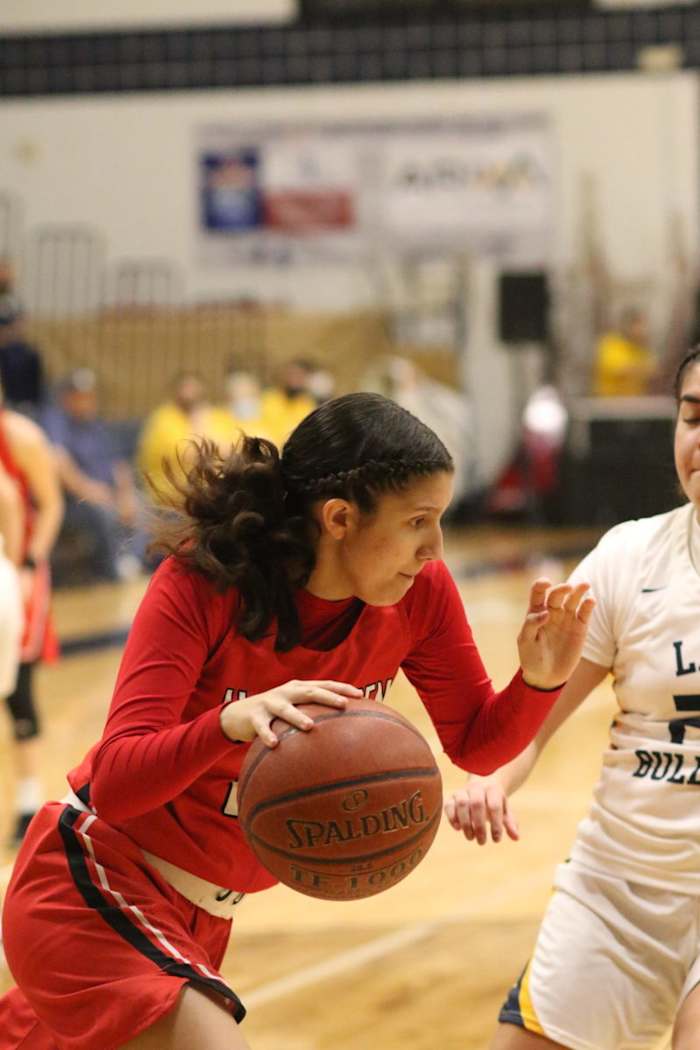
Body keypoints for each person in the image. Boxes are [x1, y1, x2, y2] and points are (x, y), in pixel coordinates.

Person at [0, 392, 593, 1049]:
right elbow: (114, 782)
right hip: (94, 881)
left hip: (202, 916)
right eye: (418, 520)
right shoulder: (205, 581)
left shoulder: (419, 594)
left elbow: (479, 745)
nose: (435, 546)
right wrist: (226, 723)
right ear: (340, 517)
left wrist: (541, 679)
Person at [445, 348, 700, 1049]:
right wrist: (488, 780)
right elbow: (530, 726)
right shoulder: (628, 559)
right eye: (692, 416)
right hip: (617, 889)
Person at [0, 383, 63, 848]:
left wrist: (26, 563)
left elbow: (48, 504)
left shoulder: (21, 437)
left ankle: (28, 799)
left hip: (15, 566)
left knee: (18, 685)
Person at [42, 367, 148, 582]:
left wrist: (126, 494)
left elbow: (120, 465)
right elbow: (60, 463)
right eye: (79, 396)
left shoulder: (97, 425)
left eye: (89, 396)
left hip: (109, 493)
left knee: (142, 504)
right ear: (66, 398)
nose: (85, 401)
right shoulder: (56, 422)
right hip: (76, 500)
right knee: (104, 513)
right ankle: (113, 573)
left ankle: (134, 563)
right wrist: (89, 490)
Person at [137, 371, 239, 501]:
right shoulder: (163, 419)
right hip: (170, 498)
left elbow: (234, 450)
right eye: (185, 387)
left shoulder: (217, 415)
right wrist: (201, 426)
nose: (189, 393)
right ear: (175, 391)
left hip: (213, 497)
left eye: (193, 388)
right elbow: (192, 453)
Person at [593, 306, 656, 397]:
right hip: (609, 404)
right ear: (628, 325)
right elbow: (619, 370)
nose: (644, 330)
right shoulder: (611, 343)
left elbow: (652, 371)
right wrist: (641, 368)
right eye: (639, 325)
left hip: (635, 403)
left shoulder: (641, 349)